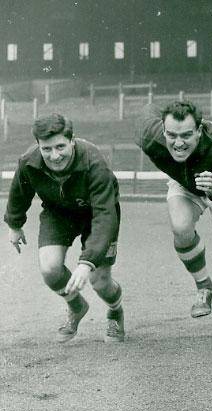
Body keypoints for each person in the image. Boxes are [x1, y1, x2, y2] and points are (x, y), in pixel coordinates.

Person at [136, 101, 212, 336]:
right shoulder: (150, 137)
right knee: (180, 227)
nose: (178, 143)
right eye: (171, 135)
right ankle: (204, 288)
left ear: (200, 131)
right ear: (163, 130)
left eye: (186, 135)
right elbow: (145, 111)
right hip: (187, 182)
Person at [4, 113, 125, 342]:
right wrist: (14, 224)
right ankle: (77, 307)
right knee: (50, 269)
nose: (54, 155)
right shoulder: (29, 160)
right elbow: (19, 192)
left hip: (97, 215)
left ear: (72, 140)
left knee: (99, 281)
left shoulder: (95, 163)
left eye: (60, 146)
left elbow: (105, 215)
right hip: (58, 212)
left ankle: (116, 311)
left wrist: (87, 262)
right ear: (38, 145)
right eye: (46, 149)